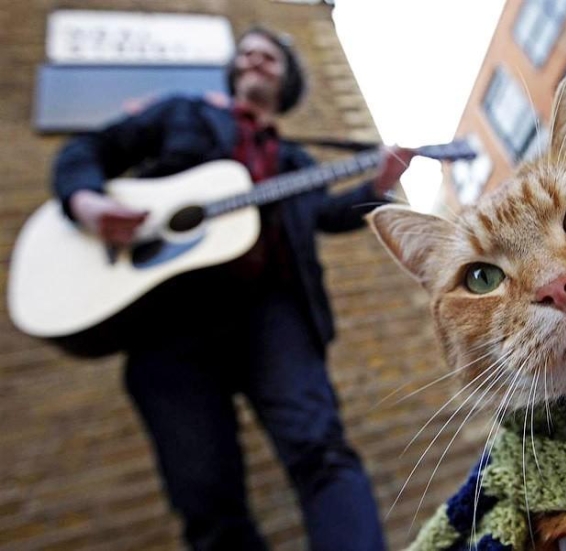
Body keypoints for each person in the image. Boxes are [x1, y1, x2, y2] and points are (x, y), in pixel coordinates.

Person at [52, 26, 413, 551]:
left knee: (323, 453)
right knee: (205, 498)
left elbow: (329, 214)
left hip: (275, 313)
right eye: (246, 53)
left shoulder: (296, 161)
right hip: (168, 320)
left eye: (269, 55)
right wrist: (87, 203)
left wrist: (378, 184)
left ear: (285, 78)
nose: (255, 60)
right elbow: (88, 150)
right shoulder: (181, 113)